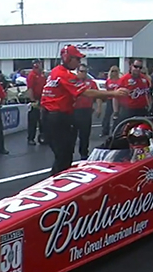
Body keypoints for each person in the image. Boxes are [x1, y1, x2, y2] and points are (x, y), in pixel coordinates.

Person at [41, 45, 128, 176]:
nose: (79, 63)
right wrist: (114, 93)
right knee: (64, 155)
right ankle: (57, 184)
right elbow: (86, 93)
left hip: (49, 116)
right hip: (58, 117)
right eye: (77, 59)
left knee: (62, 153)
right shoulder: (65, 75)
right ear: (68, 58)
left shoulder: (55, 71)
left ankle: (57, 180)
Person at [72, 64, 101, 162]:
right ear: (77, 71)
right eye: (82, 71)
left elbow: (97, 95)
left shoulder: (91, 83)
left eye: (85, 72)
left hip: (86, 111)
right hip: (74, 111)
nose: (84, 74)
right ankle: (69, 152)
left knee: (85, 134)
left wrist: (99, 108)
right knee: (72, 133)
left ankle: (84, 153)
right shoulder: (73, 82)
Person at [26, 61, 46, 145]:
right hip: (35, 100)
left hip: (43, 99)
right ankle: (31, 138)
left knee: (43, 120)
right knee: (33, 121)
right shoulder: (32, 75)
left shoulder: (42, 75)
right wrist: (32, 100)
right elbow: (30, 88)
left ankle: (43, 137)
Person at [100, 65, 122, 136]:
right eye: (113, 71)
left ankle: (115, 131)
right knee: (107, 116)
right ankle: (105, 131)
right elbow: (106, 90)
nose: (114, 73)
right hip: (109, 100)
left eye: (116, 71)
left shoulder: (120, 81)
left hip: (118, 100)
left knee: (117, 116)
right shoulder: (108, 81)